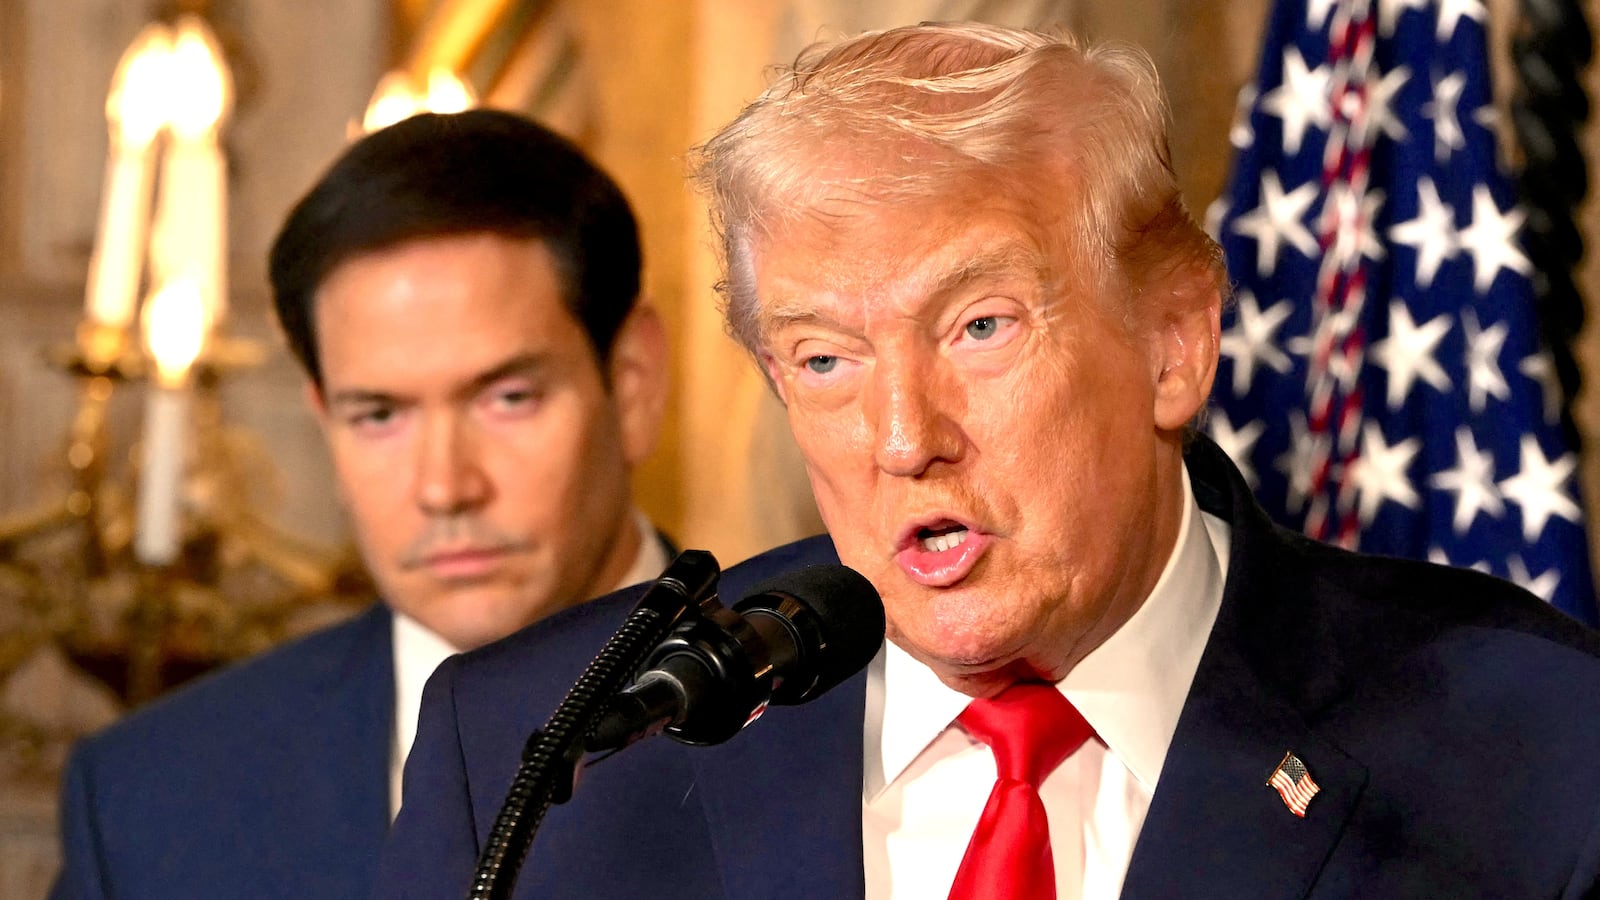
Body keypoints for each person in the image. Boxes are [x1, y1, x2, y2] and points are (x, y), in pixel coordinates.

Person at [373, 23, 1600, 900]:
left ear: (1173, 343)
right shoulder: (547, 759)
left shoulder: (1535, 745)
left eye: (979, 328)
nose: (905, 438)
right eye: (823, 359)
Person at [51, 109, 672, 900]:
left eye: (509, 397)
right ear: (323, 419)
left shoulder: (839, 722)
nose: (445, 486)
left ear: (633, 384)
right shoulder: (147, 800)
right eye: (379, 415)